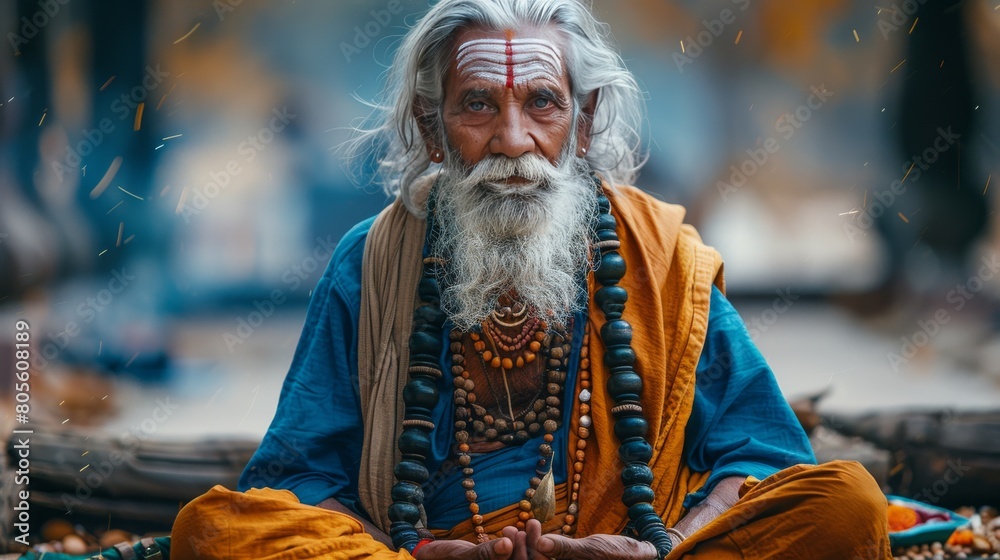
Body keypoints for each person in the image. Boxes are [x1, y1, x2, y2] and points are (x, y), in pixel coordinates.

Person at [171, 1, 891, 558]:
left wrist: (663, 547)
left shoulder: (661, 260)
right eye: (478, 104)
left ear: (582, 125)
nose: (513, 141)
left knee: (848, 503)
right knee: (212, 531)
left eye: (541, 103)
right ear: (433, 127)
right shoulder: (371, 265)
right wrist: (410, 551)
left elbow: (762, 455)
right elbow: (296, 481)